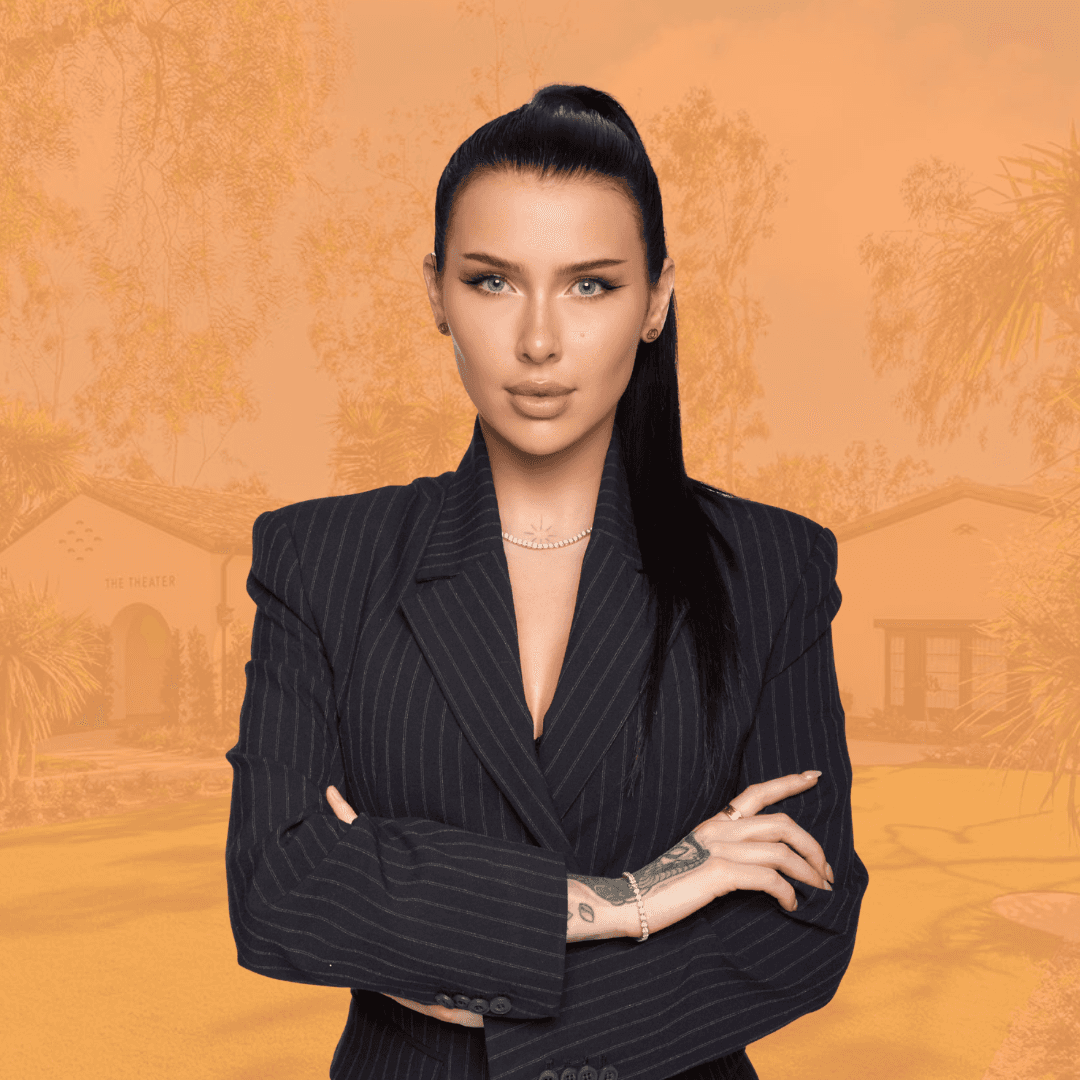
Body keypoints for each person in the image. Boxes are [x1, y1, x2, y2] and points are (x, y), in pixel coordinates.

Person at [225, 84, 869, 1080]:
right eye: (492, 282)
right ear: (435, 291)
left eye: (589, 286)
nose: (535, 340)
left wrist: (452, 963)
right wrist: (637, 899)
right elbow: (280, 888)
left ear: (655, 300)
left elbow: (801, 922)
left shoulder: (771, 568)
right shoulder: (320, 560)